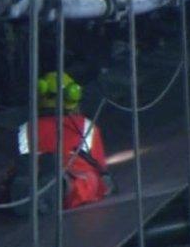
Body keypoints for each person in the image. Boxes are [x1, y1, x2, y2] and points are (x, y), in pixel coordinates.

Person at [8, 71, 114, 214]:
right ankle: (61, 186)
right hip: (72, 173)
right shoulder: (86, 125)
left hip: (34, 168)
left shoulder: (25, 128)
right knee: (90, 182)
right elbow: (100, 166)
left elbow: (16, 160)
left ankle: (34, 189)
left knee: (23, 172)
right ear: (72, 96)